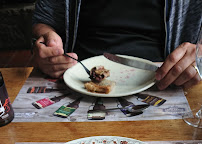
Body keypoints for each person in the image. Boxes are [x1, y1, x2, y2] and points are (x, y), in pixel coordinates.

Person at [32, 0, 202, 90]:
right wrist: (47, 40)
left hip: (165, 79)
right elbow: (44, 19)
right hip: (77, 76)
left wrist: (199, 54)